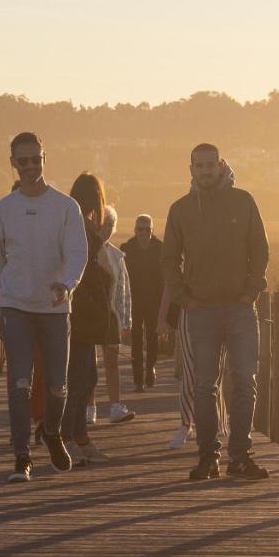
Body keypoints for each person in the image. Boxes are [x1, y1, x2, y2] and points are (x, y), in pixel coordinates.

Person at [162, 143, 270, 480]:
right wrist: (183, 297)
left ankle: (240, 456)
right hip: (201, 311)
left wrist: (251, 291)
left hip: (239, 308)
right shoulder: (180, 210)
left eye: (211, 165)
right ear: (190, 169)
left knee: (245, 382)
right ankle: (208, 458)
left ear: (221, 165)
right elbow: (168, 259)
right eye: (200, 166)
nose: (206, 171)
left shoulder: (244, 201)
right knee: (204, 386)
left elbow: (260, 248)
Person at [0, 133, 86, 483]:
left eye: (36, 159)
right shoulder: (2, 210)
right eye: (23, 161)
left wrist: (68, 283)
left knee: (58, 384)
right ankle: (21, 455)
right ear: (13, 162)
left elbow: (77, 252)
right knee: (19, 383)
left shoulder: (65, 207)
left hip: (55, 307)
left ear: (45, 158)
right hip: (16, 305)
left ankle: (52, 431)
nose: (30, 167)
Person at [61, 173, 122, 465]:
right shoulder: (82, 228)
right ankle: (69, 439)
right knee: (80, 379)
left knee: (85, 378)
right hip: (80, 313)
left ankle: (77, 437)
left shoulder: (73, 223)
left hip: (78, 311)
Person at [157, 278, 226, 449]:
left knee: (216, 375)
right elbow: (170, 284)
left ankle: (217, 426)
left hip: (221, 313)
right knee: (189, 375)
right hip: (190, 314)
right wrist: (161, 318)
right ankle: (186, 425)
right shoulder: (185, 253)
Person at [87, 206, 134, 425]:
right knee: (89, 363)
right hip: (89, 313)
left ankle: (115, 406)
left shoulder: (117, 255)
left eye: (109, 225)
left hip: (111, 314)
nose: (105, 229)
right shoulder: (85, 250)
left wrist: (126, 319)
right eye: (102, 224)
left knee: (112, 362)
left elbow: (124, 289)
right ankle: (90, 407)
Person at [121, 214, 164, 391]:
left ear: (152, 231)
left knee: (152, 338)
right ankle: (138, 378)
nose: (144, 233)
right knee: (136, 340)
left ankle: (150, 368)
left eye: (148, 229)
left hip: (154, 301)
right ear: (135, 230)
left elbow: (165, 277)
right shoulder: (127, 249)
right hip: (134, 301)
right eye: (140, 229)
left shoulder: (160, 248)